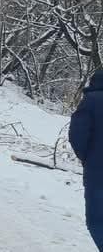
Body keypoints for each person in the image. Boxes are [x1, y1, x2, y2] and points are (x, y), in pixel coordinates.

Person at [70, 70, 103, 250]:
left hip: (99, 176)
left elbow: (77, 136)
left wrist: (87, 159)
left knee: (97, 221)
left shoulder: (90, 102)